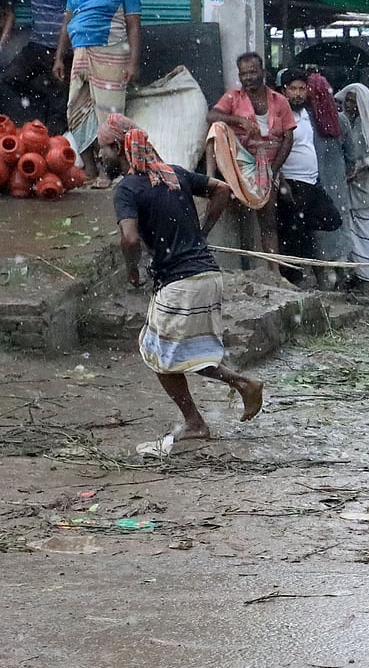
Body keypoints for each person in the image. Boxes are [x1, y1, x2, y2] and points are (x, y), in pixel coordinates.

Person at [101, 112, 263, 442]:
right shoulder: (175, 174)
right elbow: (222, 189)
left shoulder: (128, 189)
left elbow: (129, 238)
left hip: (179, 284)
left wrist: (132, 269)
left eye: (102, 148)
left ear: (118, 147)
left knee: (159, 356)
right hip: (207, 276)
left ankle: (202, 415)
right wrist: (202, 231)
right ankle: (236, 389)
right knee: (182, 353)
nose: (99, 155)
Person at [53, 0, 141, 188]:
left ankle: (108, 172)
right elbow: (67, 22)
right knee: (77, 111)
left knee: (109, 118)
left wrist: (133, 63)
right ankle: (89, 170)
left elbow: (134, 27)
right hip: (80, 55)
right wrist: (60, 57)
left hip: (112, 55)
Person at [204, 51, 295, 277]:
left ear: (263, 72)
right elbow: (211, 116)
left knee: (268, 221)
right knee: (217, 128)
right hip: (241, 163)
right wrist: (239, 121)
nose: (248, 78)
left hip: (268, 165)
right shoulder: (233, 97)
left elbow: (288, 138)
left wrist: (274, 171)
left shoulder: (279, 100)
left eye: (253, 72)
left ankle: (274, 272)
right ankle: (210, 178)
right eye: (244, 74)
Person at [277, 68, 343, 288]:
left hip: (311, 182)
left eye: (301, 89)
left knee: (331, 219)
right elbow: (274, 149)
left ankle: (305, 274)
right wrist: (282, 180)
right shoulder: (279, 115)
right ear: (283, 91)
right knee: (294, 235)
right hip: (292, 183)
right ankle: (294, 281)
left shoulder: (307, 114)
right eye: (293, 89)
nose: (297, 94)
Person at [8, 0, 80, 134]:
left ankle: (54, 145)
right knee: (10, 77)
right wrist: (5, 16)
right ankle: (42, 97)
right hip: (37, 45)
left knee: (61, 102)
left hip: (65, 48)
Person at [334, 82, 369, 290]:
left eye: (354, 101)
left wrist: (360, 169)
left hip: (365, 186)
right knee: (348, 228)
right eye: (347, 101)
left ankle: (367, 276)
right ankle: (353, 273)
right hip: (347, 183)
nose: (350, 105)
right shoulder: (344, 122)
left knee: (365, 230)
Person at [305, 72, 353, 291]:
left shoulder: (304, 120)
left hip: (313, 187)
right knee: (340, 230)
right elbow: (352, 156)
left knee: (317, 233)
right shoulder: (341, 120)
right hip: (338, 188)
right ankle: (340, 278)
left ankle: (323, 281)